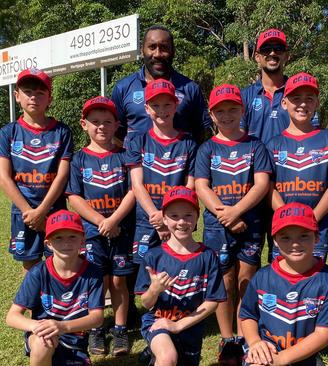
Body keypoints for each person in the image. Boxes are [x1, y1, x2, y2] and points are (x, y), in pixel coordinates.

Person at [194, 84, 272, 364]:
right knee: (225, 281)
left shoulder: (255, 146)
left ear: (242, 110)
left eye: (232, 109)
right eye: (220, 110)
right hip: (217, 226)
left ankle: (244, 335)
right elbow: (202, 186)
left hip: (251, 222)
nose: (227, 115)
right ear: (212, 115)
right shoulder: (207, 149)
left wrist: (237, 211)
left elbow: (262, 183)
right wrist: (224, 214)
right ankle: (228, 339)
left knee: (246, 280)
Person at [66, 96, 136, 356]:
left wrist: (114, 220)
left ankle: (119, 329)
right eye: (95, 122)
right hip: (93, 233)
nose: (101, 127)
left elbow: (134, 190)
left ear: (117, 124)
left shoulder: (125, 157)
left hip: (121, 230)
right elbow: (74, 196)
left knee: (119, 282)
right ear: (84, 124)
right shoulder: (78, 160)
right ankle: (95, 328)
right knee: (97, 281)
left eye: (107, 122)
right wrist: (100, 222)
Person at [239, 202, 328, 366]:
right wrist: (254, 342)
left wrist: (282, 359)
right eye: (285, 237)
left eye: (303, 235)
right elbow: (248, 316)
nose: (295, 244)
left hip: (304, 357)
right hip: (266, 352)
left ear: (317, 237)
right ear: (274, 240)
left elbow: (324, 334)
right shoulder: (262, 277)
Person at [135, 186, 227, 366]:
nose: (181, 222)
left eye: (188, 215)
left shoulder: (207, 256)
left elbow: (213, 302)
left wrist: (178, 325)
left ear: (197, 217)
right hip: (158, 321)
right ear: (164, 218)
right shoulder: (154, 256)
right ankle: (157, 353)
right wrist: (154, 290)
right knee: (168, 357)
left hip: (190, 326)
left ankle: (151, 356)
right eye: (174, 216)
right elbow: (145, 303)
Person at [0, 68, 74, 271]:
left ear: (49, 98)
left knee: (58, 261)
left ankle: (54, 302)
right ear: (17, 96)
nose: (33, 97)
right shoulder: (8, 132)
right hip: (24, 212)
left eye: (40, 93)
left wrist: (43, 210)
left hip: (54, 210)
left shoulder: (62, 132)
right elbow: (4, 178)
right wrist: (29, 211)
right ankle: (33, 304)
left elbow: (62, 175)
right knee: (30, 264)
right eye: (28, 92)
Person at [265, 72, 328, 262]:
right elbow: (268, 187)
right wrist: (287, 218)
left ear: (317, 103)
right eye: (296, 98)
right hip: (284, 228)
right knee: (281, 281)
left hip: (317, 228)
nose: (303, 104)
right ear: (284, 103)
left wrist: (311, 219)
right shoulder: (273, 144)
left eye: (309, 99)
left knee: (314, 282)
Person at [5, 210, 104, 366]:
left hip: (74, 340)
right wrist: (39, 327)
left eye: (72, 236)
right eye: (58, 237)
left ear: (82, 240)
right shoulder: (38, 273)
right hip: (44, 336)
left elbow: (97, 318)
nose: (66, 243)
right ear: (48, 243)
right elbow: (12, 316)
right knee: (42, 343)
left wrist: (61, 327)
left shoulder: (93, 272)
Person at [126, 79, 197, 265]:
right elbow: (137, 185)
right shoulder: (137, 142)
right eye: (155, 105)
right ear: (147, 108)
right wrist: (156, 217)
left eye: (167, 104)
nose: (162, 110)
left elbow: (190, 185)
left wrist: (169, 218)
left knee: (178, 272)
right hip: (147, 220)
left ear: (176, 105)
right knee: (145, 279)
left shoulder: (188, 143)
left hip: (178, 221)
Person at [111, 25, 211, 145]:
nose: (157, 54)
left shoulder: (190, 89)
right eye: (152, 47)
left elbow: (201, 133)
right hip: (136, 163)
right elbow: (115, 134)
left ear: (173, 51)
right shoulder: (123, 88)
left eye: (164, 48)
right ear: (142, 51)